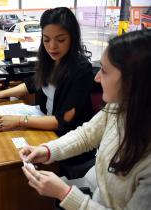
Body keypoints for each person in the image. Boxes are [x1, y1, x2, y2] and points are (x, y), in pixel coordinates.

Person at [20, 29, 151, 210]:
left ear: (133, 81)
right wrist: (46, 150)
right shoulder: (120, 107)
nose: (97, 78)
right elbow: (86, 135)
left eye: (104, 71)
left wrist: (65, 194)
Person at [0, 7, 93, 136]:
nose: (52, 46)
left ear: (73, 38)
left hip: (67, 138)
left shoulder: (82, 70)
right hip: (46, 126)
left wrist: (18, 121)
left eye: (60, 40)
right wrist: (0, 94)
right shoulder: (50, 59)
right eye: (46, 39)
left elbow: (63, 120)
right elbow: (32, 83)